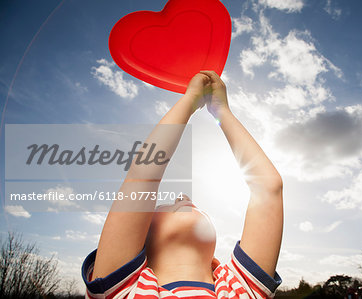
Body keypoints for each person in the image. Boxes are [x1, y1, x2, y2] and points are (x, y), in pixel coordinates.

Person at [82, 71, 284, 299]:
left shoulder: (235, 286)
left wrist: (222, 111)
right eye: (163, 204)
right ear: (139, 238)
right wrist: (189, 100)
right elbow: (143, 175)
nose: (182, 198)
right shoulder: (123, 289)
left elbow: (268, 187)